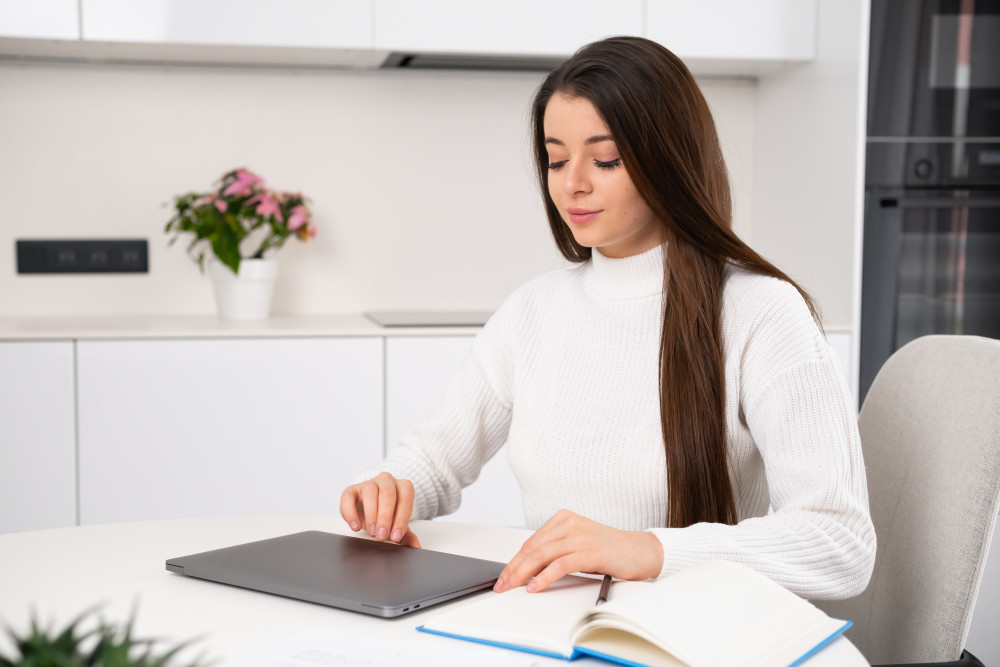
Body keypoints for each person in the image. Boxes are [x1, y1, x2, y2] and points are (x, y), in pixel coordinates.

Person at [340, 36, 876, 600]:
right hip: (545, 626)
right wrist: (392, 491)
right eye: (555, 159)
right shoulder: (532, 311)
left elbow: (839, 542)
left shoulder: (761, 312)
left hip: (693, 634)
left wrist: (646, 550)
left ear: (669, 160)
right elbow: (433, 459)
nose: (572, 183)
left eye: (606, 160)